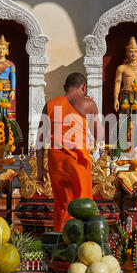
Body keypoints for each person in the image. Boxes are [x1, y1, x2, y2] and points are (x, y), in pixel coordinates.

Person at [36, 73, 104, 231]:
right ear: (84, 87)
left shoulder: (50, 104)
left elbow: (39, 138)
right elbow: (99, 135)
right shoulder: (88, 103)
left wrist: (40, 168)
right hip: (77, 160)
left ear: (65, 88)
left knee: (62, 204)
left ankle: (61, 240)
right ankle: (81, 242)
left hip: (56, 160)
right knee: (83, 202)